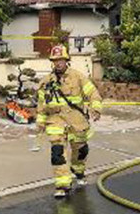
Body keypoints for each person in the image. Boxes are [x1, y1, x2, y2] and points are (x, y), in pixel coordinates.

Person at [35, 45, 102, 198]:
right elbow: (41, 104)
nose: (58, 63)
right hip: (55, 121)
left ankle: (78, 170)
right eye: (55, 60)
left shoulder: (78, 77)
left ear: (66, 60)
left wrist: (96, 109)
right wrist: (40, 121)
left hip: (76, 121)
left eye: (61, 60)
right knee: (57, 152)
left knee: (80, 149)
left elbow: (93, 93)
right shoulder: (46, 82)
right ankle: (62, 185)